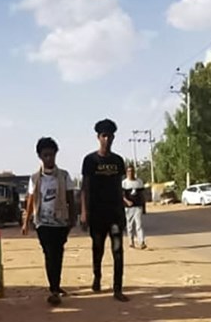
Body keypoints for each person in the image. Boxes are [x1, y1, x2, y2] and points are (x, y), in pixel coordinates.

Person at [23, 137, 77, 305]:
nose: (49, 158)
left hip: (60, 222)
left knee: (58, 253)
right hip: (42, 223)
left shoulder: (64, 176)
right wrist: (26, 221)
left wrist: (73, 218)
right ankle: (53, 289)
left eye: (51, 155)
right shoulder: (34, 179)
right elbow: (30, 201)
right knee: (49, 254)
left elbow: (70, 199)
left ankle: (56, 284)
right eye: (45, 155)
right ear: (40, 156)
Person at [81, 119, 129, 302]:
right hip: (96, 213)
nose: (107, 139)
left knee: (118, 250)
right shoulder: (90, 160)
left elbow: (119, 187)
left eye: (110, 136)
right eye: (104, 136)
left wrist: (123, 211)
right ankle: (97, 277)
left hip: (115, 213)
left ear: (114, 137)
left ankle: (118, 289)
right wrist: (84, 213)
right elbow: (84, 188)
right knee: (98, 249)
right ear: (98, 137)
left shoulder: (118, 161)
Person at [122, 165, 147, 249]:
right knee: (129, 225)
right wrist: (127, 201)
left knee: (139, 224)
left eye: (132, 171)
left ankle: (141, 242)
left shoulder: (139, 182)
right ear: (126, 173)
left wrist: (144, 206)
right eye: (129, 171)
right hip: (128, 208)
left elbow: (142, 195)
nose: (130, 173)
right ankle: (131, 242)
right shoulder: (124, 183)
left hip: (138, 206)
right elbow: (122, 195)